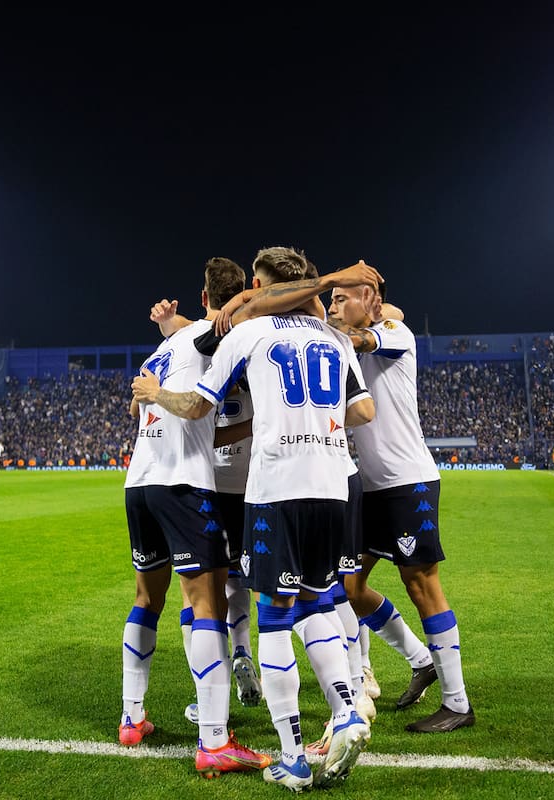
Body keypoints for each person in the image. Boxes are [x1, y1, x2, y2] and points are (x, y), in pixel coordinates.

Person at [134, 246, 377, 791]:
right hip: (334, 485)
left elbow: (196, 407)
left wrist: (154, 392)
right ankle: (346, 710)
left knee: (275, 617)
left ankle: (292, 757)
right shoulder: (336, 339)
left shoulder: (248, 334)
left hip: (275, 488)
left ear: (263, 289)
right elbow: (363, 409)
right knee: (318, 599)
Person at [118, 256, 269, 779]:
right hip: (183, 483)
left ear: (201, 296)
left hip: (139, 482)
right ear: (227, 304)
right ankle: (214, 741)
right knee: (206, 603)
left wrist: (168, 325)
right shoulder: (215, 335)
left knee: (146, 598)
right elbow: (250, 309)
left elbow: (137, 408)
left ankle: (132, 718)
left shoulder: (165, 347)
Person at [325, 280, 476, 734]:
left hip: (408, 482)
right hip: (371, 487)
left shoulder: (394, 333)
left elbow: (363, 337)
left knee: (421, 583)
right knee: (350, 586)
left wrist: (344, 325)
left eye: (340, 298)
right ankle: (420, 659)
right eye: (330, 300)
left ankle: (457, 703)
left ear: (369, 299)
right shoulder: (353, 342)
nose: (332, 306)